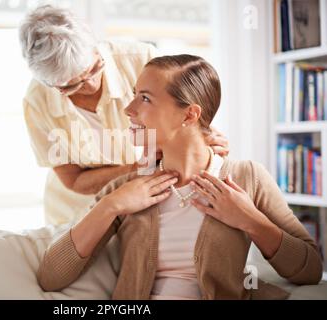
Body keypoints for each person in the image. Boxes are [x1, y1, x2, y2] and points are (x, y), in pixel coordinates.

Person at [36, 54, 323, 299]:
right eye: (134, 94)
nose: (128, 109)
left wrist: (250, 220)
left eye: (144, 98)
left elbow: (310, 270)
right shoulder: (125, 189)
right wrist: (111, 205)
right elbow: (51, 276)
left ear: (189, 116)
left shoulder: (247, 177)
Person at [18, 5, 229, 226]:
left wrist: (204, 136)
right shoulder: (37, 102)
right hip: (75, 212)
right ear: (51, 84)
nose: (90, 85)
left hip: (148, 206)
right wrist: (141, 167)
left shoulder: (142, 60)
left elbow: (182, 111)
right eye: (71, 86)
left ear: (95, 46)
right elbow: (74, 180)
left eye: (94, 68)